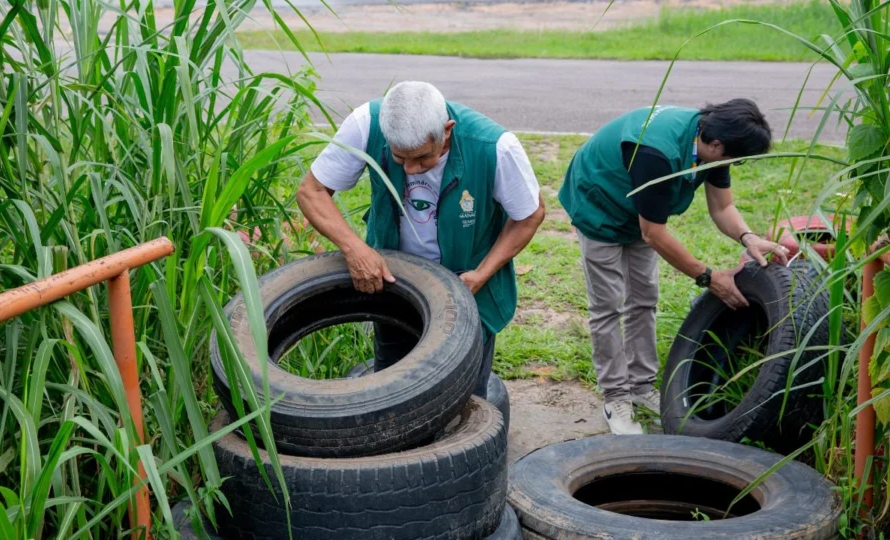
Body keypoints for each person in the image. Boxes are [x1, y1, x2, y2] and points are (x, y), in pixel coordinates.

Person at [296, 81, 545, 398]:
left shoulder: (494, 146)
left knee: (463, 395)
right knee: (390, 386)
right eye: (400, 159)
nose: (411, 170)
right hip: (395, 280)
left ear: (447, 131)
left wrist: (481, 274)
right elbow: (311, 191)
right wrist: (355, 249)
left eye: (422, 158)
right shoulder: (366, 124)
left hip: (466, 285)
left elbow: (530, 214)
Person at [558, 99, 789, 435]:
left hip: (641, 210)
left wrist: (748, 237)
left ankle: (640, 385)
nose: (733, 165)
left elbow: (723, 207)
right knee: (608, 305)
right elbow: (653, 233)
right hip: (601, 204)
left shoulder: (713, 139)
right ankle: (616, 397)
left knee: (644, 298)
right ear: (715, 145)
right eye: (734, 160)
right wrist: (709, 277)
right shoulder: (656, 152)